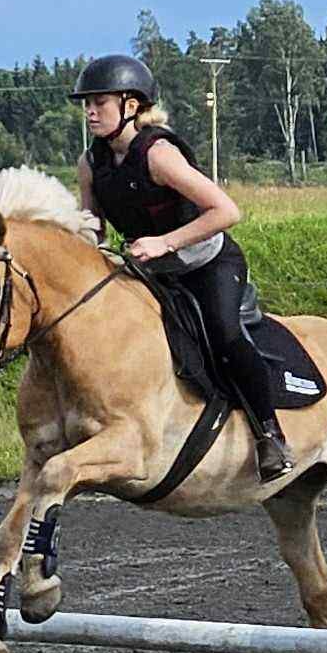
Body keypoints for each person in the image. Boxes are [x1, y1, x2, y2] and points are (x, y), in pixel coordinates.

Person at [73, 53, 294, 483]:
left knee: (226, 336)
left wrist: (164, 242)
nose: (90, 111)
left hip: (207, 262)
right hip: (151, 270)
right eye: (86, 103)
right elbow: (92, 228)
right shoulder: (90, 164)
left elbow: (227, 211)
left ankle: (271, 436)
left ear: (130, 105)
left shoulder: (159, 155)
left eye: (99, 102)